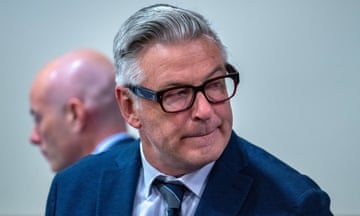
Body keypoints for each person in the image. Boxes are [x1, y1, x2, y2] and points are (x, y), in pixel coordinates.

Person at [45, 4, 333, 215]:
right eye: (177, 94)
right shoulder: (73, 189)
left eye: (215, 84)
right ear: (129, 106)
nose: (205, 111)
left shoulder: (295, 204)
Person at [29, 49, 134, 172]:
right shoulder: (149, 177)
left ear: (75, 115)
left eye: (38, 118)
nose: (34, 137)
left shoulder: (79, 186)